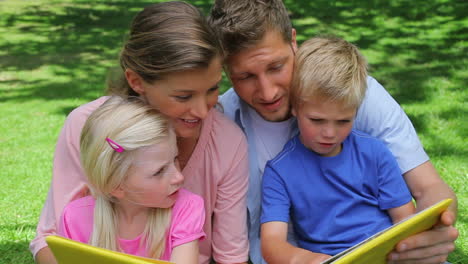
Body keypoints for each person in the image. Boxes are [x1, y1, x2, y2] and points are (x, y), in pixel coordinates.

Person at [208, 0, 458, 263]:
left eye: (276, 67)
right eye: (245, 77)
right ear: (225, 69)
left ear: (293, 40)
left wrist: (434, 230)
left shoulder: (354, 92)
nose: (268, 91)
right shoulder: (221, 123)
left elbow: (429, 187)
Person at [31, 2, 249, 264]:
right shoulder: (86, 126)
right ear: (136, 81)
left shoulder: (227, 141)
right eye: (183, 96)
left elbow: (231, 257)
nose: (203, 111)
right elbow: (52, 240)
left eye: (212, 89)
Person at [260, 36, 417, 263]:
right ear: (294, 106)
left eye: (343, 121)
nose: (330, 133)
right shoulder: (279, 171)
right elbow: (272, 244)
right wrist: (310, 260)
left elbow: (405, 220)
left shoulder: (374, 153)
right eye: (316, 120)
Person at [59, 96, 205, 263]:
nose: (179, 176)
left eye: (175, 159)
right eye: (159, 171)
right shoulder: (75, 218)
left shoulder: (186, 207)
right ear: (116, 186)